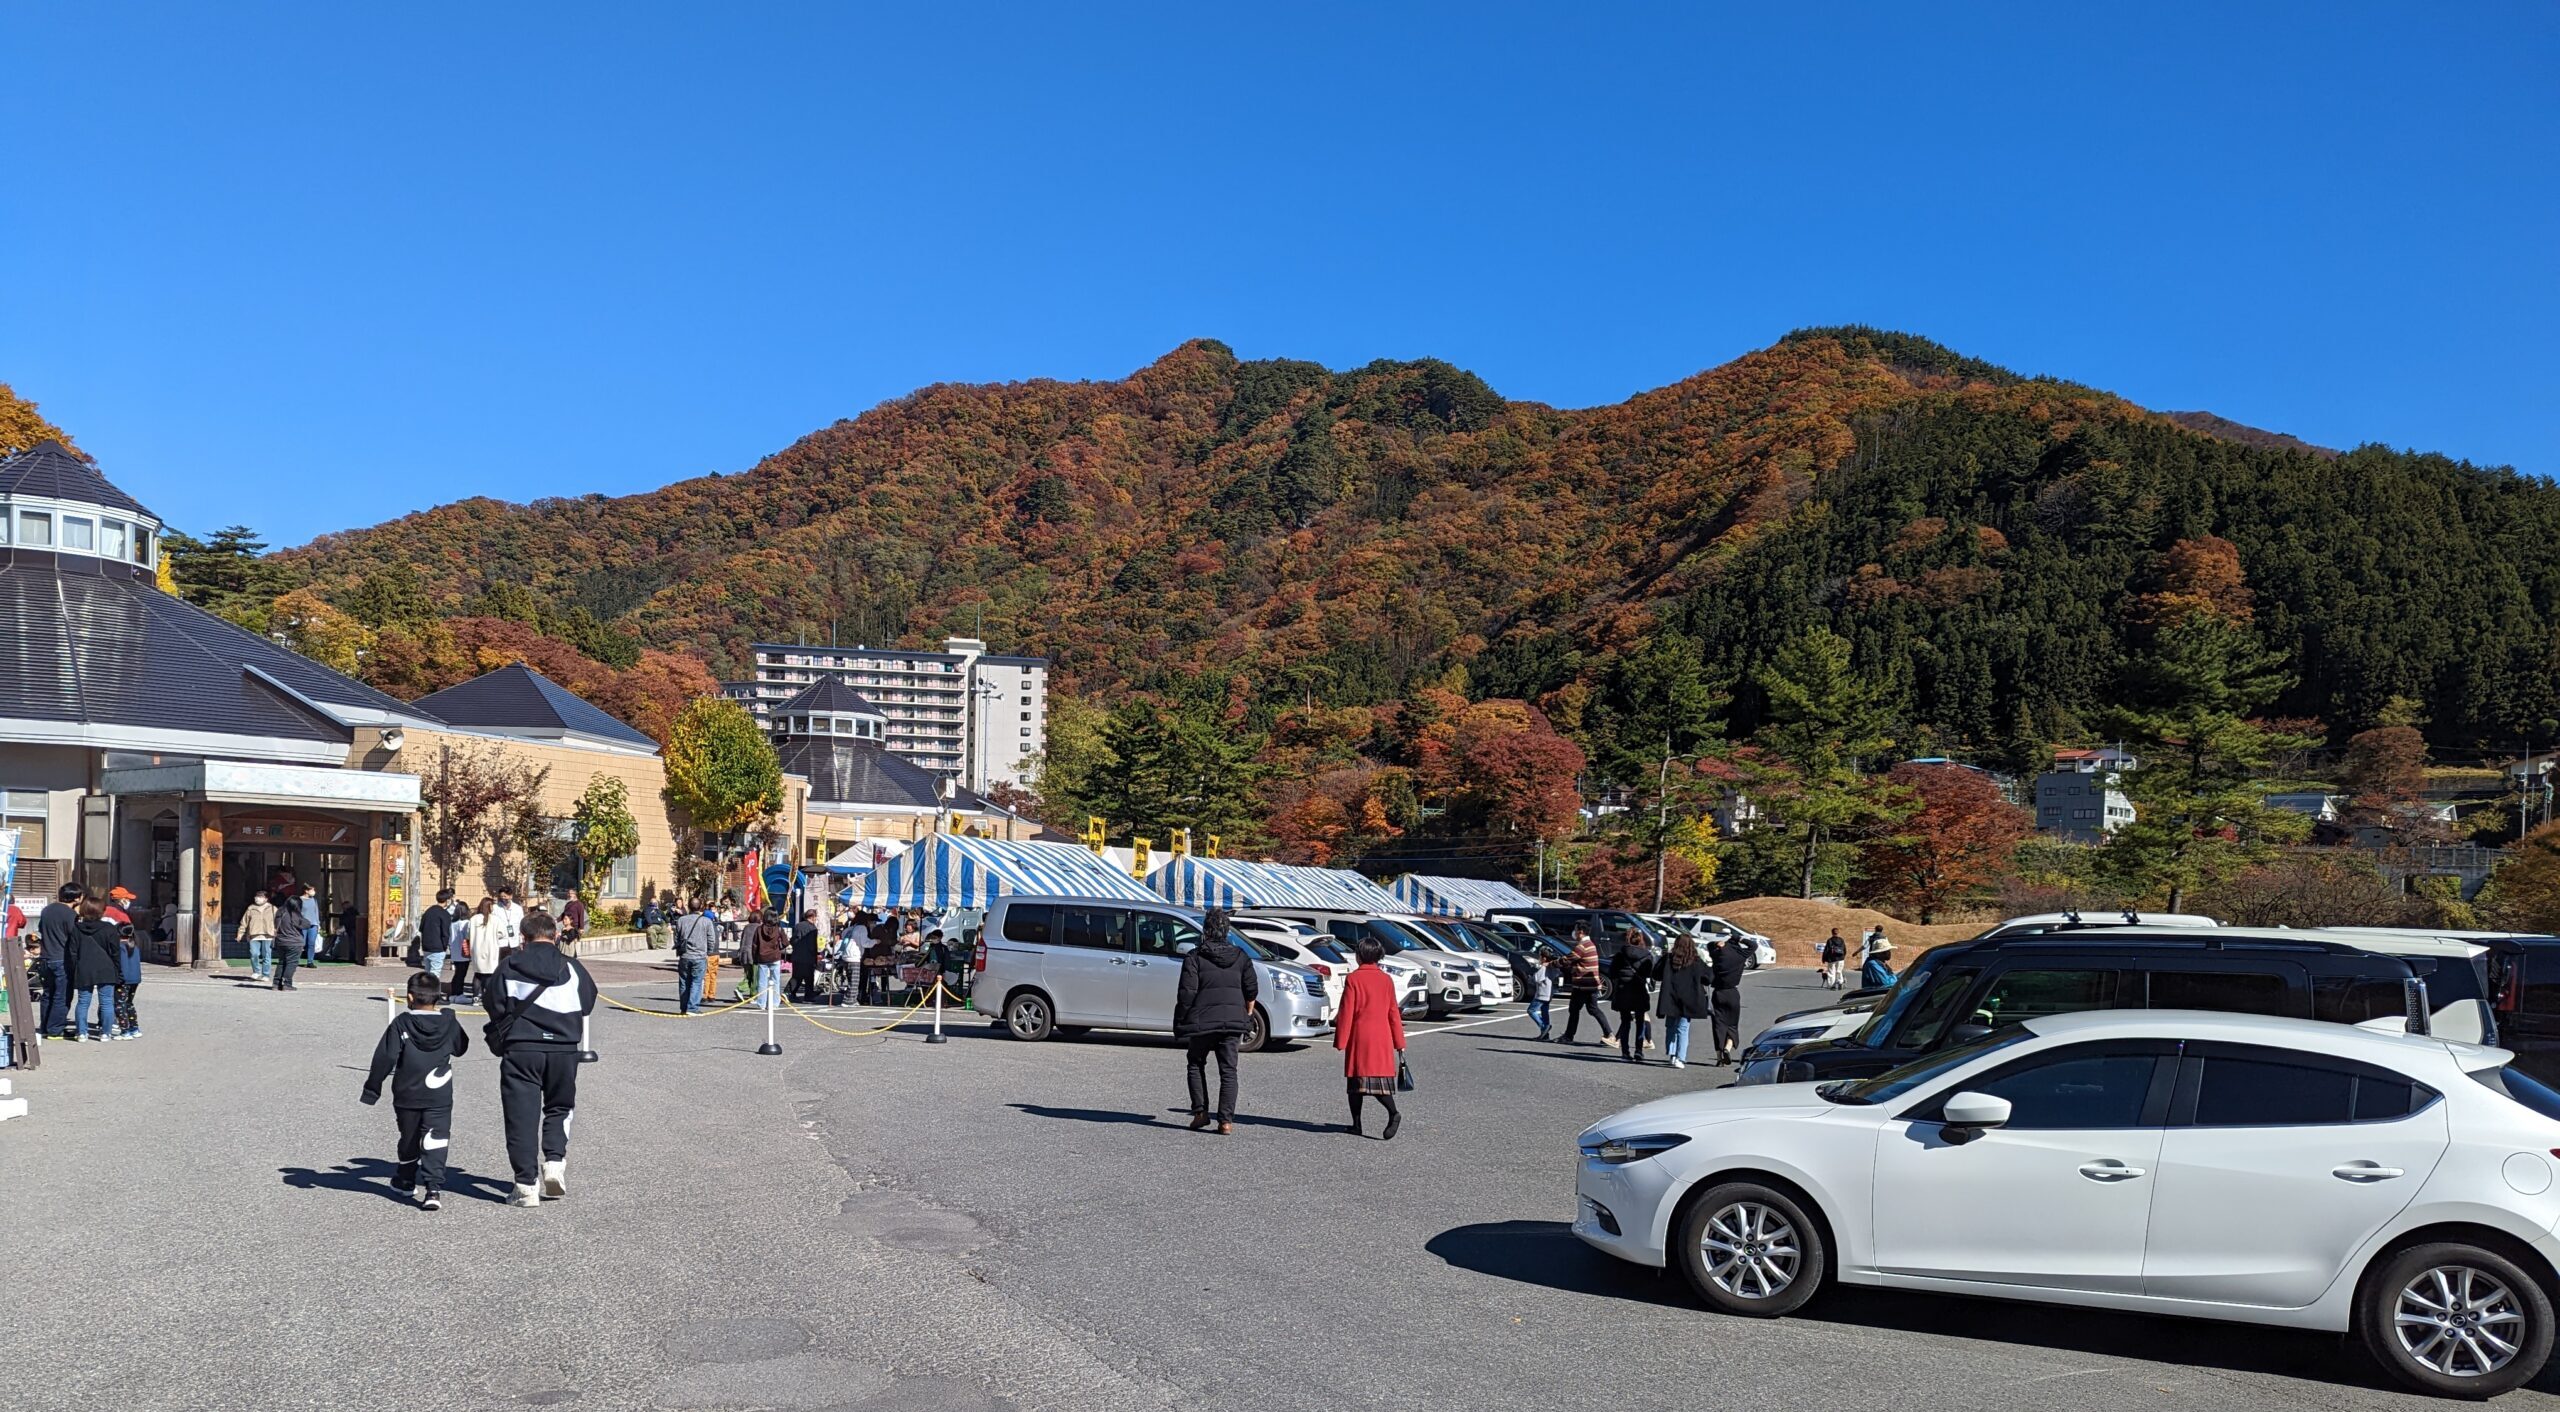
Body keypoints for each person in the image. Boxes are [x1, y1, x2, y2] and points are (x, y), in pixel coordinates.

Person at [483, 912, 598, 1207]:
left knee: (521, 1116)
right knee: (559, 1106)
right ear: (556, 935)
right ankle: (555, 1162)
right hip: (563, 1049)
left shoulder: (509, 966)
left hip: (521, 1049)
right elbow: (588, 1001)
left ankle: (525, 1186)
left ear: (523, 937)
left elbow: (492, 1002)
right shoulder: (572, 968)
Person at [362, 971, 471, 1210]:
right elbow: (461, 1047)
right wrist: (451, 1021)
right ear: (438, 997)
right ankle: (433, 1189)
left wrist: (372, 1088)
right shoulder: (448, 1022)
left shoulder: (402, 1023)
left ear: (410, 997)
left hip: (407, 1093)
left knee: (409, 1137)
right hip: (439, 1094)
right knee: (436, 1138)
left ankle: (406, 1179)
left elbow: (385, 1057)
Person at [1173, 908, 1257, 1134]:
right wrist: (1246, 1013)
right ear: (1226, 930)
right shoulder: (1241, 956)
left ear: (1206, 931)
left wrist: (1181, 1020)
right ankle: (1226, 1121)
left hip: (1202, 1021)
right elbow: (1251, 989)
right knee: (1229, 1071)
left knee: (1195, 1062)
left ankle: (1200, 1113)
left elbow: (1187, 993)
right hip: (1232, 1022)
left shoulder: (1195, 956)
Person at [1333, 935, 1407, 1139]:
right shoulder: (1386, 979)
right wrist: (1399, 1042)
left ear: (1360, 955)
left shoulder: (1354, 978)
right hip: (1382, 1036)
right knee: (1378, 1082)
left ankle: (1361, 1123)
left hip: (1361, 1036)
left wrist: (1340, 1040)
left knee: (1356, 1082)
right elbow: (1393, 1012)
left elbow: (1346, 1011)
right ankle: (1390, 1113)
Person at [65, 898, 124, 1040]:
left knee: (83, 1002)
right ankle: (105, 1032)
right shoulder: (109, 928)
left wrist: (74, 970)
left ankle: (81, 1033)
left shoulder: (76, 929)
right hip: (106, 968)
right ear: (101, 911)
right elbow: (115, 952)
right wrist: (118, 970)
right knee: (106, 1002)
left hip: (84, 968)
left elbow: (72, 952)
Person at [1654, 936, 1711, 1070]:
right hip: (1689, 999)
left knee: (1671, 1026)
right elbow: (1709, 978)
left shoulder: (1668, 959)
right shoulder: (1696, 961)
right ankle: (1680, 1057)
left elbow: (1655, 974)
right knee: (1683, 1028)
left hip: (1670, 998)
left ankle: (1672, 1053)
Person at [36, 884, 80, 1038]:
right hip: (62, 958)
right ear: (76, 898)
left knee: (48, 993)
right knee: (62, 995)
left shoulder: (47, 910)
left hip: (46, 957)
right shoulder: (70, 914)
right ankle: (55, 1029)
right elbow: (74, 936)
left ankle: (45, 1026)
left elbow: (41, 928)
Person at [1607, 929, 1658, 1062]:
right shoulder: (1647, 955)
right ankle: (1639, 1050)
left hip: (1623, 990)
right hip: (1639, 989)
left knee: (1625, 1021)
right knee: (1640, 1021)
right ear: (1641, 939)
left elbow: (1612, 973)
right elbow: (1649, 973)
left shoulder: (1620, 955)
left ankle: (1625, 1051)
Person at [1557, 926, 1613, 1045]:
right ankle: (1609, 1034)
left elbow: (1567, 959)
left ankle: (1568, 1036)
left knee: (1574, 1010)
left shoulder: (1582, 946)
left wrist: (1551, 962)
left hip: (1582, 984)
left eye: (1576, 930)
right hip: (1591, 984)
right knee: (1593, 1009)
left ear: (1581, 932)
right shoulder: (1591, 944)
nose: (1574, 933)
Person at [1707, 930, 1750, 1065]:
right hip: (1732, 992)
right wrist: (1739, 938)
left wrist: (1718, 944)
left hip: (1718, 993)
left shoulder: (1717, 955)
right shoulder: (1740, 955)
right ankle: (1728, 1047)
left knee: (1718, 1025)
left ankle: (1719, 1057)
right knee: (1732, 1024)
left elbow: (1709, 945)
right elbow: (1753, 945)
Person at [670, 898, 717, 1015]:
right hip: (700, 955)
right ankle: (692, 1008)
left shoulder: (681, 920)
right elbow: (712, 939)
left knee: (684, 981)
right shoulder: (706, 921)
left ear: (689, 907)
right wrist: (708, 952)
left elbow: (677, 937)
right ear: (701, 906)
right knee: (696, 981)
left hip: (685, 955)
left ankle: (684, 1007)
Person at [465, 897, 504, 1004]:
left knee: (478, 974)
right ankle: (487, 997)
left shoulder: (474, 919)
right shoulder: (496, 919)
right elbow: (502, 933)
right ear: (490, 906)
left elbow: (468, 934)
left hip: (477, 949)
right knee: (489, 974)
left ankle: (475, 997)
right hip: (491, 950)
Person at [746, 909, 787, 1005]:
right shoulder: (779, 929)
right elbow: (786, 942)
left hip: (762, 957)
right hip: (775, 957)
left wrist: (755, 957)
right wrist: (778, 947)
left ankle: (761, 1003)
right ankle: (775, 1003)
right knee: (776, 981)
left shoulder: (759, 929)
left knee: (762, 981)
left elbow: (754, 945)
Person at [419, 888, 455, 995]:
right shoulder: (444, 914)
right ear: (447, 900)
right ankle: (433, 994)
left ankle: (425, 992)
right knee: (435, 972)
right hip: (438, 946)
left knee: (428, 971)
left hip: (426, 946)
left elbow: (421, 928)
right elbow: (445, 932)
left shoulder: (428, 912)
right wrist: (445, 945)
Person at [239, 890, 278, 983]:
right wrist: (240, 933)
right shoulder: (251, 908)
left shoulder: (273, 908)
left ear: (266, 898)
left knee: (267, 956)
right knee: (254, 954)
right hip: (254, 934)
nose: (257, 898)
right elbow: (244, 922)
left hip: (268, 935)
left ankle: (266, 974)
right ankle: (256, 971)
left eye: (260, 897)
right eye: (256, 896)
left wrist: (277, 931)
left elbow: (278, 921)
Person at [113, 921, 143, 1039]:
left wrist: (119, 978)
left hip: (124, 979)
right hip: (135, 979)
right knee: (129, 1003)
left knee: (120, 1005)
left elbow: (123, 965)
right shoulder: (134, 945)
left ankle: (124, 1030)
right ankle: (134, 1027)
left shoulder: (120, 947)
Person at [272, 896, 307, 991]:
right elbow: (306, 924)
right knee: (291, 963)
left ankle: (276, 983)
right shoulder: (294, 915)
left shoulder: (280, 913)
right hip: (294, 942)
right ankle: (287, 984)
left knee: (281, 962)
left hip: (280, 941)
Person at [787, 909, 821, 1002]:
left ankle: (789, 993)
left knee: (796, 976)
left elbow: (792, 940)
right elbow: (812, 944)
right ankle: (809, 995)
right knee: (809, 977)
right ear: (812, 917)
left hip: (797, 955)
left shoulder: (798, 926)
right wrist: (815, 955)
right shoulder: (813, 928)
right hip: (808, 957)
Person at [1526, 950, 1557, 1041]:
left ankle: (1544, 1026)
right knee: (1544, 1011)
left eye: (1540, 957)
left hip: (1542, 993)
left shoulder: (1543, 968)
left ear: (1544, 958)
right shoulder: (1553, 967)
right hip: (1549, 993)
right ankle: (1545, 1035)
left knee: (1531, 1010)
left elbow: (1537, 979)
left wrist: (1531, 977)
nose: (1539, 959)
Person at [297, 889, 323, 967]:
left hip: (313, 924)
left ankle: (310, 961)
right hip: (302, 924)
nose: (314, 891)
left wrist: (318, 923)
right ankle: (295, 960)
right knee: (301, 943)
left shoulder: (314, 900)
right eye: (312, 890)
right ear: (306, 891)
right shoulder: (299, 900)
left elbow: (316, 912)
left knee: (311, 943)